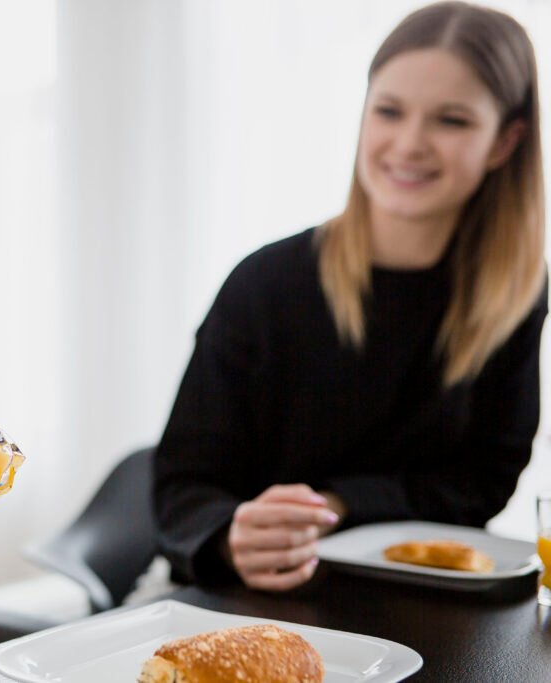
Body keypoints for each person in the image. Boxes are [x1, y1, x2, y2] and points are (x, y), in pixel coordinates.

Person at [154, 1, 547, 593]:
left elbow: (482, 482)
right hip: (241, 593)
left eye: (452, 121)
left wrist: (340, 504)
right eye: (389, 111)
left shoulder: (516, 294)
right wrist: (231, 538)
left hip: (421, 601)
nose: (409, 143)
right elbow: (181, 487)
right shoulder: (265, 283)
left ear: (504, 143)